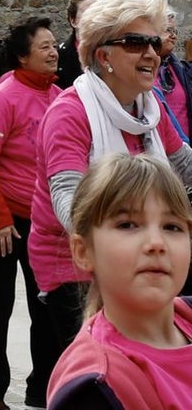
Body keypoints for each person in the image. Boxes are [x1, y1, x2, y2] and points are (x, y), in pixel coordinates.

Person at [29, 0, 192, 362]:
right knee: (103, 371)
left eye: (154, 42)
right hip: (76, 269)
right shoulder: (70, 113)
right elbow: (69, 203)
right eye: (136, 43)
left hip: (134, 257)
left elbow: (183, 163)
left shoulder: (147, 109)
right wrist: (119, 244)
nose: (151, 52)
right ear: (103, 56)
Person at [47, 153, 192, 409]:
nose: (156, 244)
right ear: (83, 251)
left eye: (172, 227)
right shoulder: (95, 389)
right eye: (127, 225)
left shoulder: (187, 314)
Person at [0, 17, 63, 410]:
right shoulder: (3, 97)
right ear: (22, 55)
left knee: (47, 305)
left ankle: (42, 388)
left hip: (42, 221)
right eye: (44, 46)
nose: (53, 51)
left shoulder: (60, 96)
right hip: (0, 220)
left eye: (54, 44)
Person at [153, 10, 191, 144]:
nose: (174, 36)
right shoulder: (141, 70)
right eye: (168, 30)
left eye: (175, 31)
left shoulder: (180, 70)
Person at [56, 0, 99, 89]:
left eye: (99, 13)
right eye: (88, 13)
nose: (95, 18)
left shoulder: (116, 51)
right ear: (73, 21)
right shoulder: (58, 57)